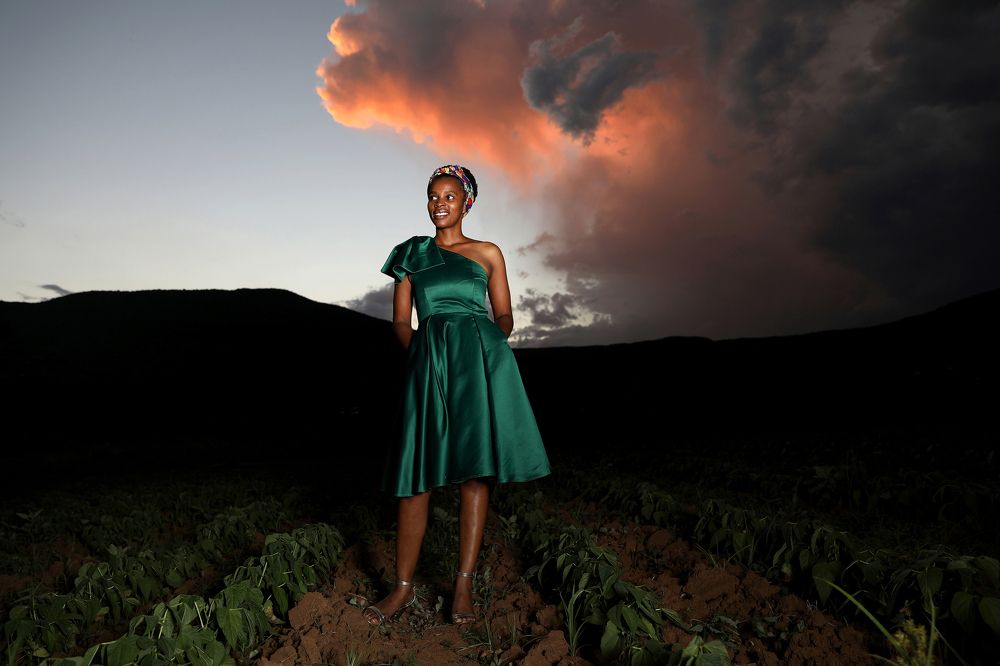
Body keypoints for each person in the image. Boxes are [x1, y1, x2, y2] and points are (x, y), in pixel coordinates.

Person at [362, 164, 551, 627]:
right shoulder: (412, 254)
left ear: (467, 202)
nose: (439, 203)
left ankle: (462, 586)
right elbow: (400, 324)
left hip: (477, 364)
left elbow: (504, 315)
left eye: (449, 196)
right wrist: (423, 357)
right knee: (417, 475)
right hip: (428, 363)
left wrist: (487, 344)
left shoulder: (488, 253)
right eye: (432, 196)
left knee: (475, 471)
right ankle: (402, 588)